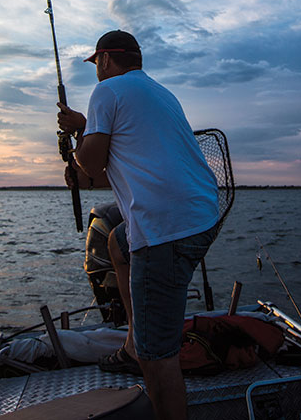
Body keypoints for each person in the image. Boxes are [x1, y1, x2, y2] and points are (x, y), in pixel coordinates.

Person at [57, 29, 220, 420]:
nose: (96, 70)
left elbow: (91, 165)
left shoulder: (107, 92)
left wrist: (79, 133)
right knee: (116, 240)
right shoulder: (160, 94)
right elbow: (108, 171)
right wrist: (84, 136)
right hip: (203, 216)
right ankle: (134, 341)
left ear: (107, 60)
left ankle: (144, 350)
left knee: (158, 358)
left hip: (166, 229)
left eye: (96, 62)